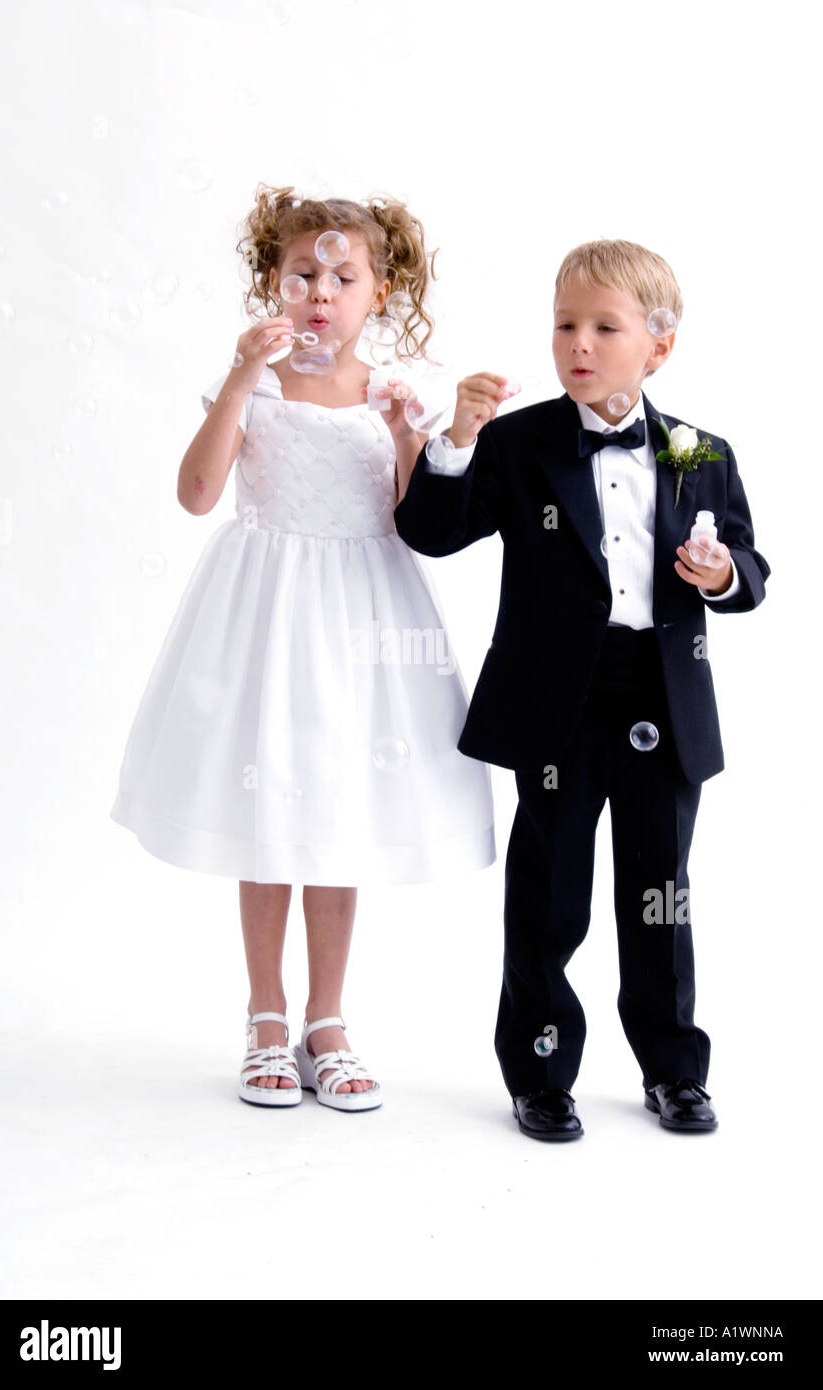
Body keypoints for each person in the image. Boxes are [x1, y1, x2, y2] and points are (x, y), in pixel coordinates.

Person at [110, 184, 495, 1112]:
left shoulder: (389, 397)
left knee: (340, 813)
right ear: (273, 287)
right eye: (301, 274)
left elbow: (413, 527)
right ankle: (266, 1016)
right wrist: (241, 380)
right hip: (267, 617)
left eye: (343, 275)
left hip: (364, 619)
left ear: (381, 291)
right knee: (269, 800)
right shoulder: (259, 385)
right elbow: (197, 495)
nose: (320, 290)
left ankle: (329, 1019)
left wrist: (418, 435)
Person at [393, 238, 770, 1140]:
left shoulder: (699, 452)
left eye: (605, 326)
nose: (579, 343)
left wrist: (718, 574)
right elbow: (431, 533)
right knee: (548, 892)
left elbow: (752, 571)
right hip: (557, 697)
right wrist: (454, 442)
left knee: (661, 890)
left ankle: (673, 1069)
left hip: (662, 696)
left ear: (659, 346)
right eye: (565, 323)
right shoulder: (519, 443)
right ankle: (540, 1073)